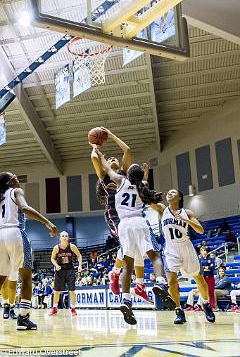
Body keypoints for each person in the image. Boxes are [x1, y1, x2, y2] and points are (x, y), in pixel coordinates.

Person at [96, 149, 174, 325]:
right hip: (139, 222)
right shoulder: (142, 187)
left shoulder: (121, 182)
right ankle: (160, 283)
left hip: (124, 225)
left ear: (127, 174)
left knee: (127, 265)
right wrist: (145, 174)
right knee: (155, 256)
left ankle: (126, 300)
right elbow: (143, 182)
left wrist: (99, 154)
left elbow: (108, 169)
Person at [90, 128, 151, 303]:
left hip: (132, 214)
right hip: (114, 215)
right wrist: (95, 145)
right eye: (109, 159)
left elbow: (127, 150)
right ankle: (117, 275)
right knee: (129, 245)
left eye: (114, 158)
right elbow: (95, 158)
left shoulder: (125, 174)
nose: (112, 159)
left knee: (138, 247)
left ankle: (136, 284)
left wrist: (110, 135)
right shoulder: (105, 176)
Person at [0, 172, 58, 330]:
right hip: (15, 233)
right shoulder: (16, 191)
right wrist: (47, 223)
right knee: (26, 277)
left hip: (0, 236)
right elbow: (25, 208)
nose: (17, 177)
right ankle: (23, 317)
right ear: (11, 181)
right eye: (14, 176)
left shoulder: (1, 196)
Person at [150, 189, 215, 324]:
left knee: (200, 279)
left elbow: (200, 230)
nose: (169, 193)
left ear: (179, 197)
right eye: (168, 192)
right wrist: (143, 182)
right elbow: (148, 203)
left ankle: (206, 304)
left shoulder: (187, 212)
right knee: (172, 282)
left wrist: (187, 220)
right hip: (171, 248)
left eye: (173, 192)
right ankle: (179, 311)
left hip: (187, 247)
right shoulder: (163, 210)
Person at [50, 231, 82, 316]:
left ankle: (73, 309)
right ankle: (54, 308)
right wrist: (56, 265)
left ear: (68, 238)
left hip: (70, 270)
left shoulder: (72, 247)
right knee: (57, 291)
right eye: (63, 236)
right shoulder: (56, 248)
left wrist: (80, 265)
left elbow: (79, 255)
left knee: (72, 291)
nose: (64, 237)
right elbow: (52, 258)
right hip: (60, 270)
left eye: (66, 236)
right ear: (60, 238)